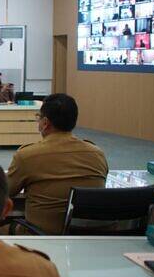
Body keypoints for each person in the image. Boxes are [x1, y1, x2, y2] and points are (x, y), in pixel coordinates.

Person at [7, 94, 109, 234]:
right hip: (87, 237)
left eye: (38, 118)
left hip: (41, 237)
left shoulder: (27, 156)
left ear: (45, 123)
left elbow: (5, 191)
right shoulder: (97, 154)